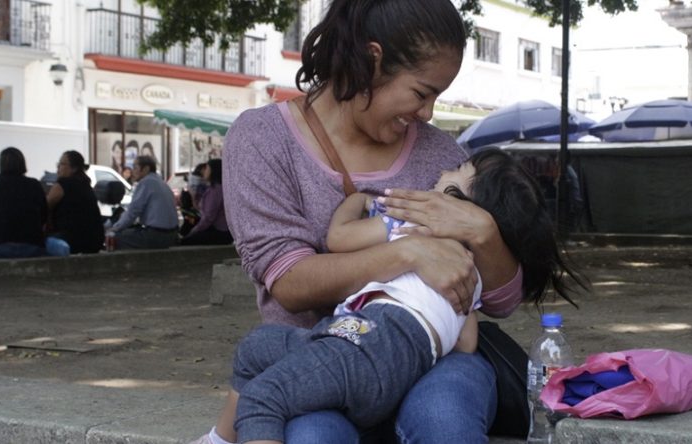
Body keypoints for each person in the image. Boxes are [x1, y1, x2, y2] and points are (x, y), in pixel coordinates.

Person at [220, 0, 530, 442]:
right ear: (372, 60)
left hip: (431, 356)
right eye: (422, 93)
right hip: (322, 355)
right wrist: (408, 252)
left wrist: (484, 232)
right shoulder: (262, 139)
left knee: (445, 422)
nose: (427, 113)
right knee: (314, 437)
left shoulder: (441, 155)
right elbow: (288, 282)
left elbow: (501, 301)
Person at [195, 148, 587, 444]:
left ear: (451, 198)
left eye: (455, 172)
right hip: (371, 349)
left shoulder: (407, 220)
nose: (443, 169)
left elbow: (339, 238)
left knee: (264, 397)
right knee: (259, 347)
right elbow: (467, 342)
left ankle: (220, 439)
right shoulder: (468, 274)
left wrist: (357, 202)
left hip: (361, 343)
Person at [0, 147, 47, 258]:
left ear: (1, 165)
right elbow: (44, 216)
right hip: (33, 247)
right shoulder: (34, 185)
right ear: (23, 164)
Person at [108, 155, 179, 249]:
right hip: (172, 235)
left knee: (114, 239)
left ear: (146, 169)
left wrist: (114, 228)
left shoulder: (146, 182)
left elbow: (132, 212)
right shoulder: (161, 183)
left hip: (156, 236)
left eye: (135, 167)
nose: (133, 171)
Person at [46, 151, 105, 254]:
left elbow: (44, 207)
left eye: (62, 164)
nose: (58, 167)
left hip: (70, 241)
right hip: (94, 242)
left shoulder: (62, 185)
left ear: (74, 168)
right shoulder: (86, 185)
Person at [181, 159, 232, 245]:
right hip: (217, 229)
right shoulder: (212, 189)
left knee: (185, 241)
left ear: (213, 171)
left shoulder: (216, 190)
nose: (204, 171)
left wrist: (195, 230)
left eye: (207, 169)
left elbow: (208, 218)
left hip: (219, 231)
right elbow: (202, 210)